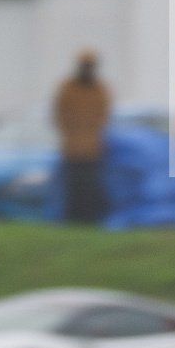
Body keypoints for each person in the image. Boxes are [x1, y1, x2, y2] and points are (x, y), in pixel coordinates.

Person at [52, 51, 112, 225]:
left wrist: (93, 136)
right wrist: (71, 134)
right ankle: (73, 219)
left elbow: (104, 116)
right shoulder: (68, 88)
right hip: (72, 149)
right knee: (73, 187)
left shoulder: (100, 89)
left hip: (93, 150)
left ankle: (89, 219)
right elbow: (60, 113)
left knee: (90, 188)